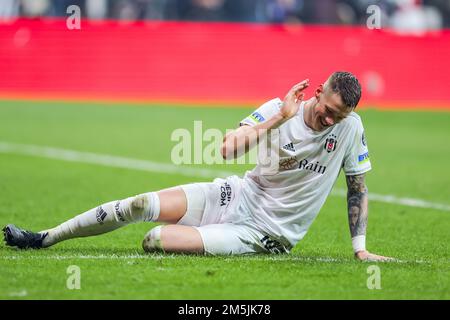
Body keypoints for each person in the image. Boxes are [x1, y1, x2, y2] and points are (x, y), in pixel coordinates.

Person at [3, 71, 393, 262]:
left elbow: (357, 187)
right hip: (238, 194)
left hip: (266, 233)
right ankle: (43, 238)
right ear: (319, 93)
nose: (330, 121)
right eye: (327, 111)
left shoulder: (350, 129)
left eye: (338, 117)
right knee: (140, 203)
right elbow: (226, 149)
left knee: (155, 239)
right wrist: (276, 120)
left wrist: (360, 249)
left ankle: (211, 235)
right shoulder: (279, 109)